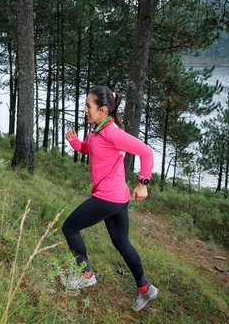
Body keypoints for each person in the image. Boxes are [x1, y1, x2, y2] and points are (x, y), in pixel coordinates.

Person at [61, 85, 159, 312]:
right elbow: (93, 150)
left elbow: (146, 152)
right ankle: (146, 289)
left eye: (88, 106)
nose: (85, 109)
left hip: (109, 196)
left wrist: (143, 183)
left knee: (70, 228)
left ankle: (85, 275)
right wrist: (76, 144)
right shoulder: (97, 128)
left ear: (103, 109)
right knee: (121, 242)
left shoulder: (112, 132)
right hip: (117, 196)